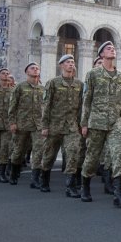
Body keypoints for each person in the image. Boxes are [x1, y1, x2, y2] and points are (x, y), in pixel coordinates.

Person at [80, 41, 121, 208]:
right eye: (108, 48)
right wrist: (84, 123)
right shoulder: (93, 74)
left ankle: (119, 194)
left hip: (115, 122)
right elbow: (86, 100)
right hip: (96, 121)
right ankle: (85, 186)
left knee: (118, 156)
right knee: (92, 157)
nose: (112, 50)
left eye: (113, 48)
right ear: (101, 55)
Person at [40, 55, 83, 193]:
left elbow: (82, 106)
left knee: (73, 154)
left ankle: (70, 186)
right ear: (61, 65)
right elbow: (46, 105)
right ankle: (44, 179)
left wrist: (81, 124)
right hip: (54, 126)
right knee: (49, 155)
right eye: (68, 62)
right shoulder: (53, 83)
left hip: (71, 126)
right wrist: (44, 126)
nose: (71, 64)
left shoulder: (79, 84)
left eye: (72, 62)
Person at [8, 62, 45, 186]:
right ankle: (13, 173)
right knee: (18, 150)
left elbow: (45, 107)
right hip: (22, 124)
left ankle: (35, 179)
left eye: (37, 68)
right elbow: (12, 106)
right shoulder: (20, 87)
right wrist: (12, 122)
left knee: (38, 150)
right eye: (32, 68)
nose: (35, 70)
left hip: (38, 125)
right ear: (27, 72)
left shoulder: (42, 88)